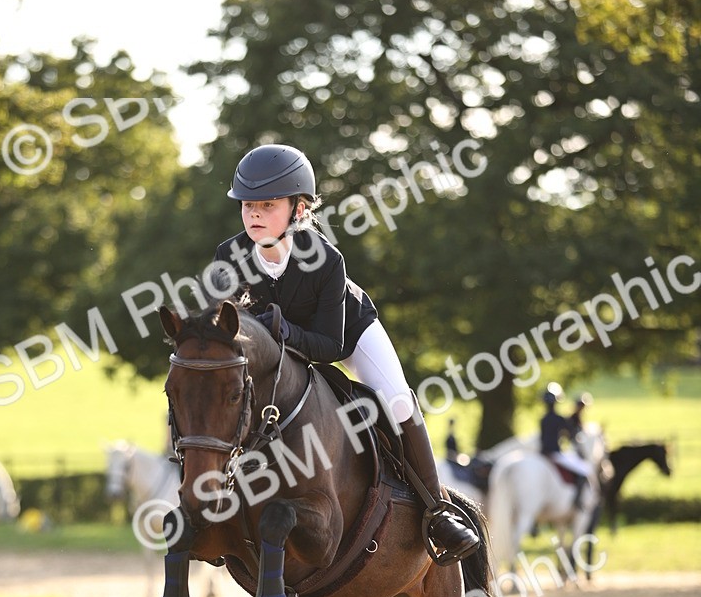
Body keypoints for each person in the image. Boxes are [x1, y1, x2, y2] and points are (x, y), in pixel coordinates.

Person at [213, 144, 479, 564]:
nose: (254, 214)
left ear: (299, 209)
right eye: (248, 204)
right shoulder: (228, 258)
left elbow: (329, 346)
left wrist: (282, 331)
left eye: (268, 204)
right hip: (279, 351)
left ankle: (437, 509)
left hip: (348, 334)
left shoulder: (325, 260)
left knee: (396, 399)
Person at [539, 384, 593, 501]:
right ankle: (578, 501)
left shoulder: (543, 419)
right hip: (555, 454)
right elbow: (572, 436)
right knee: (584, 470)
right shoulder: (559, 419)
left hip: (542, 453)